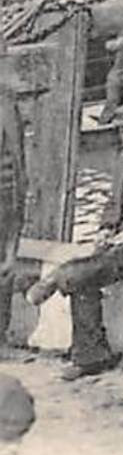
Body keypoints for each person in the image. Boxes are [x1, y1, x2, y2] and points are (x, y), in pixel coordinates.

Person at [25, 98, 123, 379]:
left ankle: (56, 279)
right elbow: (112, 203)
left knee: (79, 272)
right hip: (122, 245)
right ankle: (91, 353)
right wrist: (107, 228)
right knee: (83, 277)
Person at [0, 43, 24, 345]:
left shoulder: (6, 101)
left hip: (4, 199)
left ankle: (0, 336)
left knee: (4, 266)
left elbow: (18, 161)